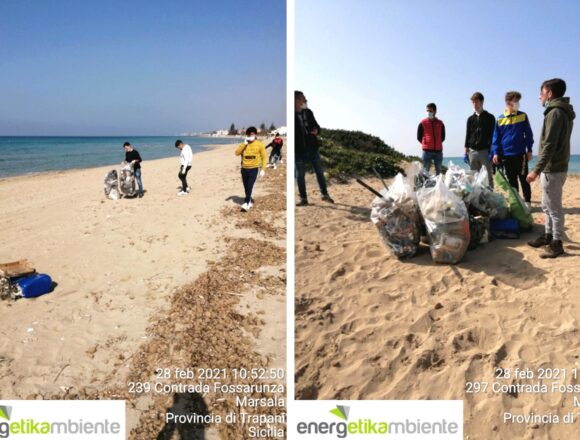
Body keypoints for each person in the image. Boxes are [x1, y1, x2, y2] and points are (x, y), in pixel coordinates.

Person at [526, 78, 575, 258]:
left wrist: (535, 170)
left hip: (553, 169)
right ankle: (548, 235)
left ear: (550, 93)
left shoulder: (555, 113)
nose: (540, 96)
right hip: (554, 168)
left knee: (554, 208)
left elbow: (550, 145)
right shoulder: (561, 111)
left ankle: (557, 243)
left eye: (542, 92)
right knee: (547, 206)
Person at [492, 91, 534, 207]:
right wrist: (495, 153)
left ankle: (527, 202)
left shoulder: (523, 116)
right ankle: (517, 202)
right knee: (512, 181)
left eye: (518, 101)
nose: (518, 103)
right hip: (507, 155)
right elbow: (496, 138)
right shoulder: (500, 119)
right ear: (508, 102)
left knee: (524, 179)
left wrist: (529, 150)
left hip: (521, 154)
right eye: (516, 101)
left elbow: (528, 134)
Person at [295, 91, 334, 206]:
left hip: (313, 147)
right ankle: (303, 198)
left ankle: (325, 194)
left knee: (319, 172)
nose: (306, 101)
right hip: (298, 151)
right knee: (300, 175)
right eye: (303, 99)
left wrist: (316, 130)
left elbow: (317, 126)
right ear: (296, 100)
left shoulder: (308, 112)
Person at [464, 92, 495, 187]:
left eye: (476, 102)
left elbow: (493, 135)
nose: (474, 104)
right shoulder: (470, 119)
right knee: (474, 177)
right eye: (473, 102)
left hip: (485, 151)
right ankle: (477, 198)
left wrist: (492, 150)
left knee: (487, 176)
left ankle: (490, 197)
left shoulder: (490, 117)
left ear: (482, 102)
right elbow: (468, 134)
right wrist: (466, 150)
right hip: (472, 152)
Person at [235, 126, 267, 212]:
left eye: (252, 134)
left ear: (255, 134)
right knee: (246, 187)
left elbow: (264, 157)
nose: (251, 136)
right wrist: (244, 144)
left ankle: (246, 203)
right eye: (249, 134)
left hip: (254, 169)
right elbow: (237, 153)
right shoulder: (244, 144)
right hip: (244, 169)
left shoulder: (259, 144)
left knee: (250, 186)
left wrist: (263, 169)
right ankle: (249, 201)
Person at [417, 103, 445, 175]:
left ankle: (438, 186)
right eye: (427, 111)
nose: (428, 112)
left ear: (435, 111)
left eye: (430, 111)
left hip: (438, 152)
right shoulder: (422, 123)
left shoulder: (440, 123)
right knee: (425, 172)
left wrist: (437, 143)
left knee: (438, 171)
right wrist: (426, 143)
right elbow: (419, 137)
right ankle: (424, 185)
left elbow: (443, 137)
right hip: (427, 152)